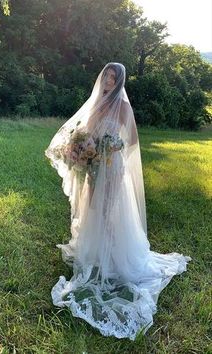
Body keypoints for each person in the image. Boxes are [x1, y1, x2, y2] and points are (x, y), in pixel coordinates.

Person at [44, 62, 192, 340]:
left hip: (111, 167)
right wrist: (80, 149)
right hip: (93, 167)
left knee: (107, 211)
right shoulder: (96, 103)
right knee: (92, 208)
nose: (109, 80)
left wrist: (109, 147)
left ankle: (113, 260)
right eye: (107, 76)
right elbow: (84, 133)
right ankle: (97, 252)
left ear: (120, 81)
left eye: (114, 77)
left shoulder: (123, 107)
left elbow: (131, 140)